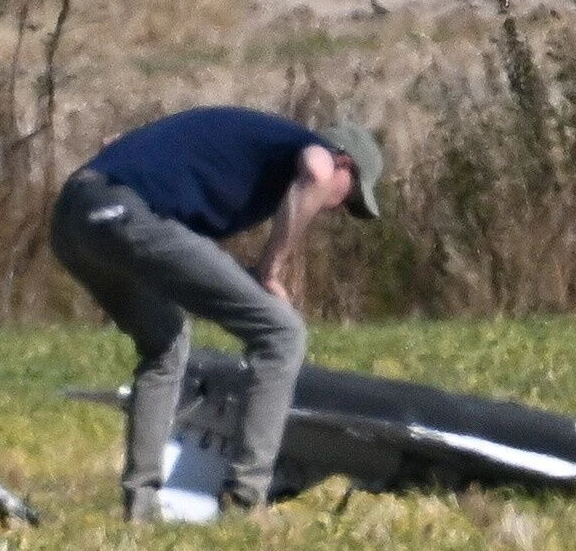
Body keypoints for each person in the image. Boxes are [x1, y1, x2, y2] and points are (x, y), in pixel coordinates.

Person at [50, 108, 386, 519]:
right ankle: (246, 501)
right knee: (282, 333)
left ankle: (141, 505)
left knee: (165, 344)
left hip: (73, 218)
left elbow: (117, 147)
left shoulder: (254, 150)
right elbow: (316, 172)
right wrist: (270, 267)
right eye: (349, 197)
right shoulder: (309, 151)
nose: (337, 210)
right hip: (124, 212)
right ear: (344, 163)